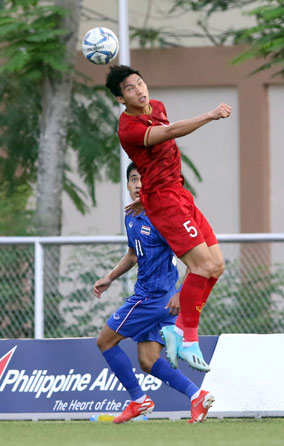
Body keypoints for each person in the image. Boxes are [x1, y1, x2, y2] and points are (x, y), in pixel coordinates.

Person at [105, 65, 229, 373]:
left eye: (140, 83)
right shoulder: (128, 129)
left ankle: (180, 330)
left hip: (178, 193)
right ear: (121, 99)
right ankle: (187, 336)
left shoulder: (157, 107)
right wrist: (210, 115)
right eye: (130, 89)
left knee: (217, 265)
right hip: (166, 202)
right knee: (200, 266)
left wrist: (143, 197)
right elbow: (171, 132)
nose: (139, 89)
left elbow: (158, 161)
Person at [93, 163, 214, 424]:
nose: (138, 184)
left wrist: (182, 293)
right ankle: (197, 396)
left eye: (143, 180)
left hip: (153, 298)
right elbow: (134, 253)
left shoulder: (163, 217)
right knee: (148, 360)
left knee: (104, 341)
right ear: (127, 185)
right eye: (133, 179)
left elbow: (194, 261)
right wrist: (110, 277)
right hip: (158, 300)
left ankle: (138, 400)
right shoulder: (131, 216)